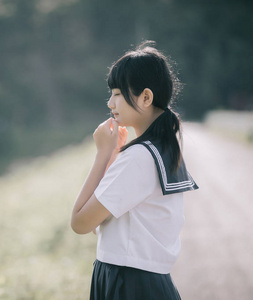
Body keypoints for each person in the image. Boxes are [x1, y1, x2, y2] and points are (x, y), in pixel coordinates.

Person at [70, 41, 198, 300]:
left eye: (117, 93)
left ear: (146, 97)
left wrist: (103, 153)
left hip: (128, 283)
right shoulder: (163, 149)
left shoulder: (139, 157)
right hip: (144, 282)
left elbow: (80, 222)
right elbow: (100, 223)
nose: (110, 103)